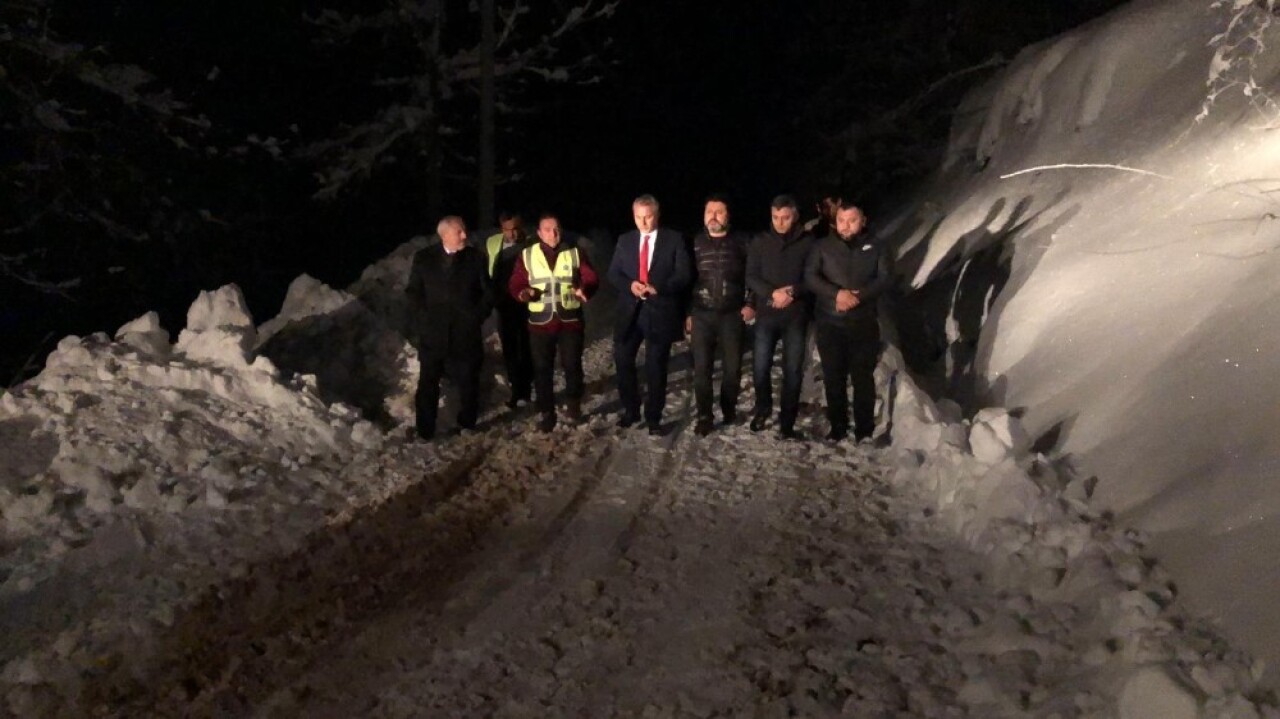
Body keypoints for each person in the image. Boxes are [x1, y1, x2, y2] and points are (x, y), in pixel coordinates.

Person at [805, 203, 891, 441]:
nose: (846, 225)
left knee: (863, 378)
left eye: (852, 220)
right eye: (842, 220)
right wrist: (837, 294)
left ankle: (864, 430)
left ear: (862, 220)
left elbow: (885, 278)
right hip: (830, 323)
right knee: (834, 377)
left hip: (863, 322)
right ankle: (838, 427)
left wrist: (857, 297)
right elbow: (810, 276)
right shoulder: (822, 246)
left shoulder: (876, 246)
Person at [608, 194, 692, 436]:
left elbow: (683, 274)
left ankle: (654, 417)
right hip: (629, 311)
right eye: (638, 217)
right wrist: (630, 285)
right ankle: (631, 410)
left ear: (657, 215)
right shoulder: (625, 241)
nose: (643, 223)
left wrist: (660, 288)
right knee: (623, 361)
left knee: (656, 366)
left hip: (660, 309)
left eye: (648, 217)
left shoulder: (674, 239)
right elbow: (614, 274)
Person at [508, 213, 600, 432]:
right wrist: (524, 293)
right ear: (539, 233)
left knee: (572, 366)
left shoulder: (575, 253)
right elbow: (516, 283)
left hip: (570, 321)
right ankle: (546, 411)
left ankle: (573, 403)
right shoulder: (527, 255)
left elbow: (591, 278)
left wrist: (584, 290)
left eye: (557, 229)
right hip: (540, 324)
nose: (553, 234)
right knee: (541, 370)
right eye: (548, 230)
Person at [405, 215, 493, 440]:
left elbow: (488, 293)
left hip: (465, 332)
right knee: (428, 383)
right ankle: (425, 430)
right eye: (459, 232)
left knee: (468, 380)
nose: (465, 235)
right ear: (444, 235)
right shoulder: (424, 259)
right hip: (434, 333)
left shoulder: (475, 258)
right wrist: (424, 319)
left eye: (464, 230)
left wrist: (476, 316)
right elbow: (414, 292)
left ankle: (467, 422)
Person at [746, 194, 816, 440]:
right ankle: (763, 408)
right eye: (775, 217)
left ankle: (787, 421)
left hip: (796, 315)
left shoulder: (808, 243)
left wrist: (794, 291)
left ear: (795, 216)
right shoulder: (760, 242)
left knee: (793, 370)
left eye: (785, 218)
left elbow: (814, 278)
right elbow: (751, 275)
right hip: (767, 314)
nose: (780, 222)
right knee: (760, 366)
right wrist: (771, 292)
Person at [686, 194, 754, 437]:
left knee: (732, 368)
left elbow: (753, 275)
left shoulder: (742, 242)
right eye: (709, 212)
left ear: (728, 216)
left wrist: (751, 303)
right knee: (702, 368)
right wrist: (688, 312)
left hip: (731, 314)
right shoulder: (694, 243)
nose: (713, 216)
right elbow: (687, 279)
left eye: (719, 211)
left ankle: (728, 406)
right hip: (702, 314)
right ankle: (705, 415)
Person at [485, 212, 535, 408]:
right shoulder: (493, 243)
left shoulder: (531, 245)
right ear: (501, 228)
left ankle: (526, 389)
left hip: (526, 303)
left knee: (526, 346)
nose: (512, 234)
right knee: (510, 348)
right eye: (508, 229)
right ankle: (516, 389)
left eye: (515, 229)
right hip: (503, 302)